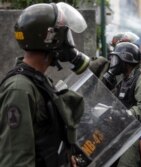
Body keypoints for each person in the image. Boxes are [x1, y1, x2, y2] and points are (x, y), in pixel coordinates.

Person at [0, 2, 91, 167]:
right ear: (51, 38)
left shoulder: (38, 82)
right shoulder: (19, 89)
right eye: (65, 36)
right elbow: (17, 160)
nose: (67, 43)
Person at [103, 42, 141, 167]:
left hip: (140, 130)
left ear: (125, 60)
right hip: (126, 128)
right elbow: (114, 101)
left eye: (116, 59)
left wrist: (122, 114)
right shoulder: (124, 80)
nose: (113, 63)